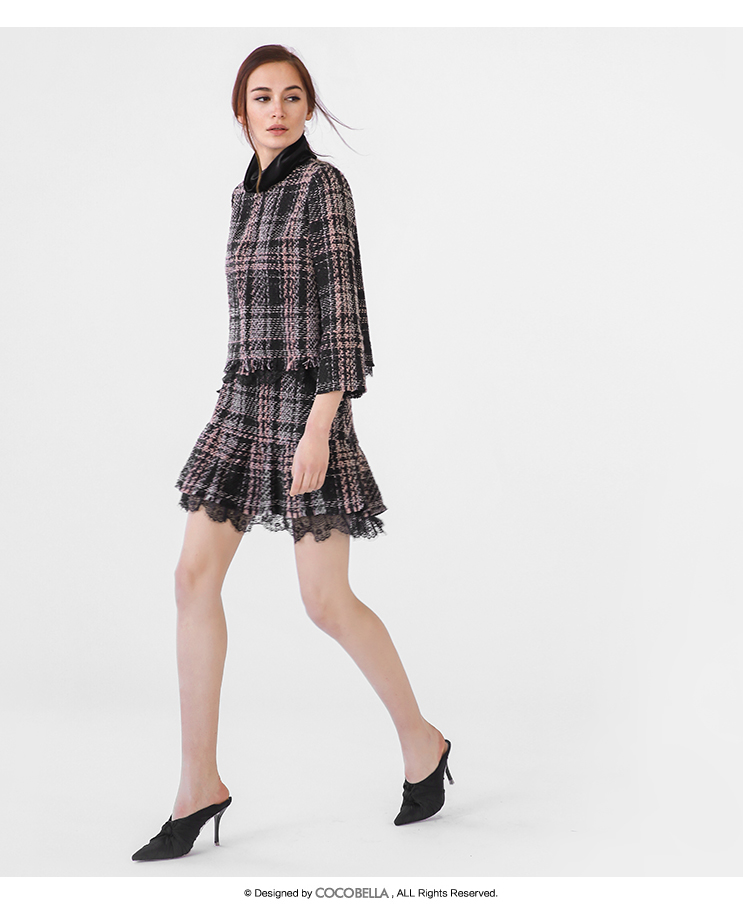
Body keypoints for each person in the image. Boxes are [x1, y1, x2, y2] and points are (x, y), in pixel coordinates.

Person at [132, 44, 452, 862]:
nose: (276, 110)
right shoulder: (243, 197)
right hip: (242, 402)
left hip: (310, 407)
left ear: (309, 108)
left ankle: (422, 742)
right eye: (261, 96)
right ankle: (198, 782)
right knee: (191, 579)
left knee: (325, 601)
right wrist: (234, 407)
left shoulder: (322, 187)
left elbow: (344, 313)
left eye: (292, 96)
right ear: (240, 110)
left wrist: (319, 426)